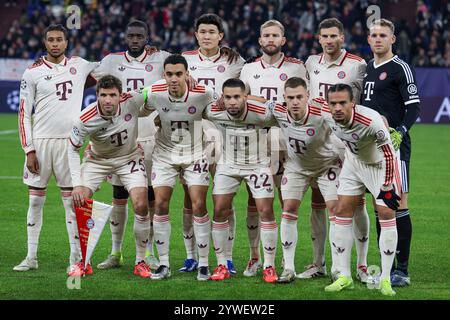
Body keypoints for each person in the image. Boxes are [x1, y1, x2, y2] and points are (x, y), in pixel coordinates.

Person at [14, 24, 98, 272]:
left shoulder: (80, 65)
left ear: (66, 42)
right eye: (50, 39)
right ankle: (31, 257)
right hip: (40, 144)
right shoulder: (32, 72)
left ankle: (76, 258)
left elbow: (109, 69)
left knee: (71, 203)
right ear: (44, 41)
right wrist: (29, 150)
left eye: (59, 39)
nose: (54, 44)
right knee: (35, 202)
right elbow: (23, 114)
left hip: (69, 145)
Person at [91, 20, 170, 271]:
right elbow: (86, 74)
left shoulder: (161, 59)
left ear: (147, 37)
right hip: (121, 139)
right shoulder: (111, 61)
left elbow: (185, 66)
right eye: (131, 35)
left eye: (139, 35)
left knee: (148, 198)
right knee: (118, 196)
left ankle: (146, 253)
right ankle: (115, 253)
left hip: (150, 137)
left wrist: (224, 50)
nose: (135, 39)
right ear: (125, 37)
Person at [302, 18, 369, 281]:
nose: (329, 41)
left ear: (342, 37)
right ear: (318, 39)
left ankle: (361, 266)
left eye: (333, 36)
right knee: (318, 202)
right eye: (324, 36)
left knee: (355, 202)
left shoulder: (357, 65)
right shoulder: (311, 63)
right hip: (319, 142)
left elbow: (363, 102)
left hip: (348, 143)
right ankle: (318, 263)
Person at [67, 75, 154, 278]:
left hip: (129, 158)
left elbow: (154, 88)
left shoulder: (132, 100)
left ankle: (141, 260)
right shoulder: (84, 119)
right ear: (96, 95)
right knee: (79, 202)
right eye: (103, 95)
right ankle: (82, 261)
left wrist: (187, 78)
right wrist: (77, 184)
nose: (108, 100)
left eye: (112, 95)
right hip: (97, 160)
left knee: (141, 204)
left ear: (120, 95)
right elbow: (71, 150)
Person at [239, 19, 306, 277]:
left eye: (275, 35)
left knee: (285, 199)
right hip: (256, 140)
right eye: (266, 35)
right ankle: (255, 256)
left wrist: (263, 102)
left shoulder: (296, 68)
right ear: (260, 40)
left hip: (286, 139)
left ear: (283, 40)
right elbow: (242, 100)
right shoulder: (248, 69)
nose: (270, 39)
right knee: (255, 200)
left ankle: (285, 259)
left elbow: (301, 99)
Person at [180, 13, 245, 275]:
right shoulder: (184, 60)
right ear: (196, 35)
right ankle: (190, 256)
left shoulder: (235, 61)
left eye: (212, 32)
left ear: (220, 36)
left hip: (224, 135)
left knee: (223, 199)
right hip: (192, 133)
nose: (206, 36)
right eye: (202, 31)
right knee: (190, 197)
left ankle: (226, 257)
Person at [322, 84, 401, 297]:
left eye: (342, 103)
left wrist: (386, 187)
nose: (337, 107)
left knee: (386, 213)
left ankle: (385, 279)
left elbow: (389, 154)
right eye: (333, 103)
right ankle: (344, 275)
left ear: (352, 103)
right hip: (353, 163)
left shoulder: (370, 120)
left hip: (380, 165)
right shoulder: (326, 114)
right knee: (341, 211)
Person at [145, 54, 215, 281]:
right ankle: (164, 264)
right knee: (161, 205)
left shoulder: (203, 93)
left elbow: (225, 107)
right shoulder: (154, 92)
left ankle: (203, 264)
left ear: (187, 74)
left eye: (178, 74)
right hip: (164, 156)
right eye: (169, 74)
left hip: (195, 155)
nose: (174, 79)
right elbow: (131, 107)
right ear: (163, 75)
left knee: (199, 204)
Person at [363, 19, 420, 287]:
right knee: (379, 208)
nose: (377, 39)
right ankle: (388, 266)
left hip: (395, 149)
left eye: (383, 35)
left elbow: (414, 108)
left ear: (392, 39)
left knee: (398, 206)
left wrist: (400, 131)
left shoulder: (400, 68)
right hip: (368, 149)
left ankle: (403, 270)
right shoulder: (366, 70)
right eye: (373, 35)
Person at [205, 78, 278, 283]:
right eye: (227, 97)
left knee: (265, 210)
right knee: (220, 209)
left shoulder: (262, 113)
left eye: (237, 97)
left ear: (245, 96)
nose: (232, 102)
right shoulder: (212, 111)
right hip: (228, 166)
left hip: (258, 165)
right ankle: (222, 265)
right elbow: (192, 105)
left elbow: (283, 112)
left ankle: (269, 266)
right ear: (222, 97)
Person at [268, 77, 341, 284]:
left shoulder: (322, 112)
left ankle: (337, 268)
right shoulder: (279, 111)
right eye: (290, 97)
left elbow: (345, 121)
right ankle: (289, 268)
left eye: (299, 97)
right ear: (284, 98)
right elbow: (256, 103)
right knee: (289, 208)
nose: (295, 102)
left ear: (308, 96)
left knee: (334, 210)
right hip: (297, 167)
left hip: (326, 166)